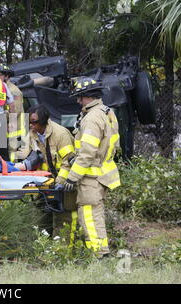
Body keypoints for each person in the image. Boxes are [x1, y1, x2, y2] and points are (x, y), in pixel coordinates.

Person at [63, 76, 121, 257]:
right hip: (102, 174)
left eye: (79, 97)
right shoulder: (107, 112)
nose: (78, 101)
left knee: (89, 215)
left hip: (91, 177)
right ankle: (101, 252)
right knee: (95, 214)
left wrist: (72, 177)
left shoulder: (92, 118)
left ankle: (99, 254)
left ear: (87, 96)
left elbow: (87, 153)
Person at [13, 105, 78, 242]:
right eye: (29, 122)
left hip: (63, 183)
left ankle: (61, 251)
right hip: (44, 183)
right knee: (40, 218)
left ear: (44, 121)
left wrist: (60, 182)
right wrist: (18, 166)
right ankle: (43, 248)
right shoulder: (32, 134)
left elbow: (69, 163)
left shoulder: (61, 134)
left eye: (34, 122)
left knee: (63, 218)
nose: (31, 125)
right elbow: (25, 156)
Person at [0, 64, 25, 160]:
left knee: (13, 156)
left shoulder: (13, 91)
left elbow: (15, 111)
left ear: (6, 76)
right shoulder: (1, 89)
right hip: (5, 131)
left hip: (16, 131)